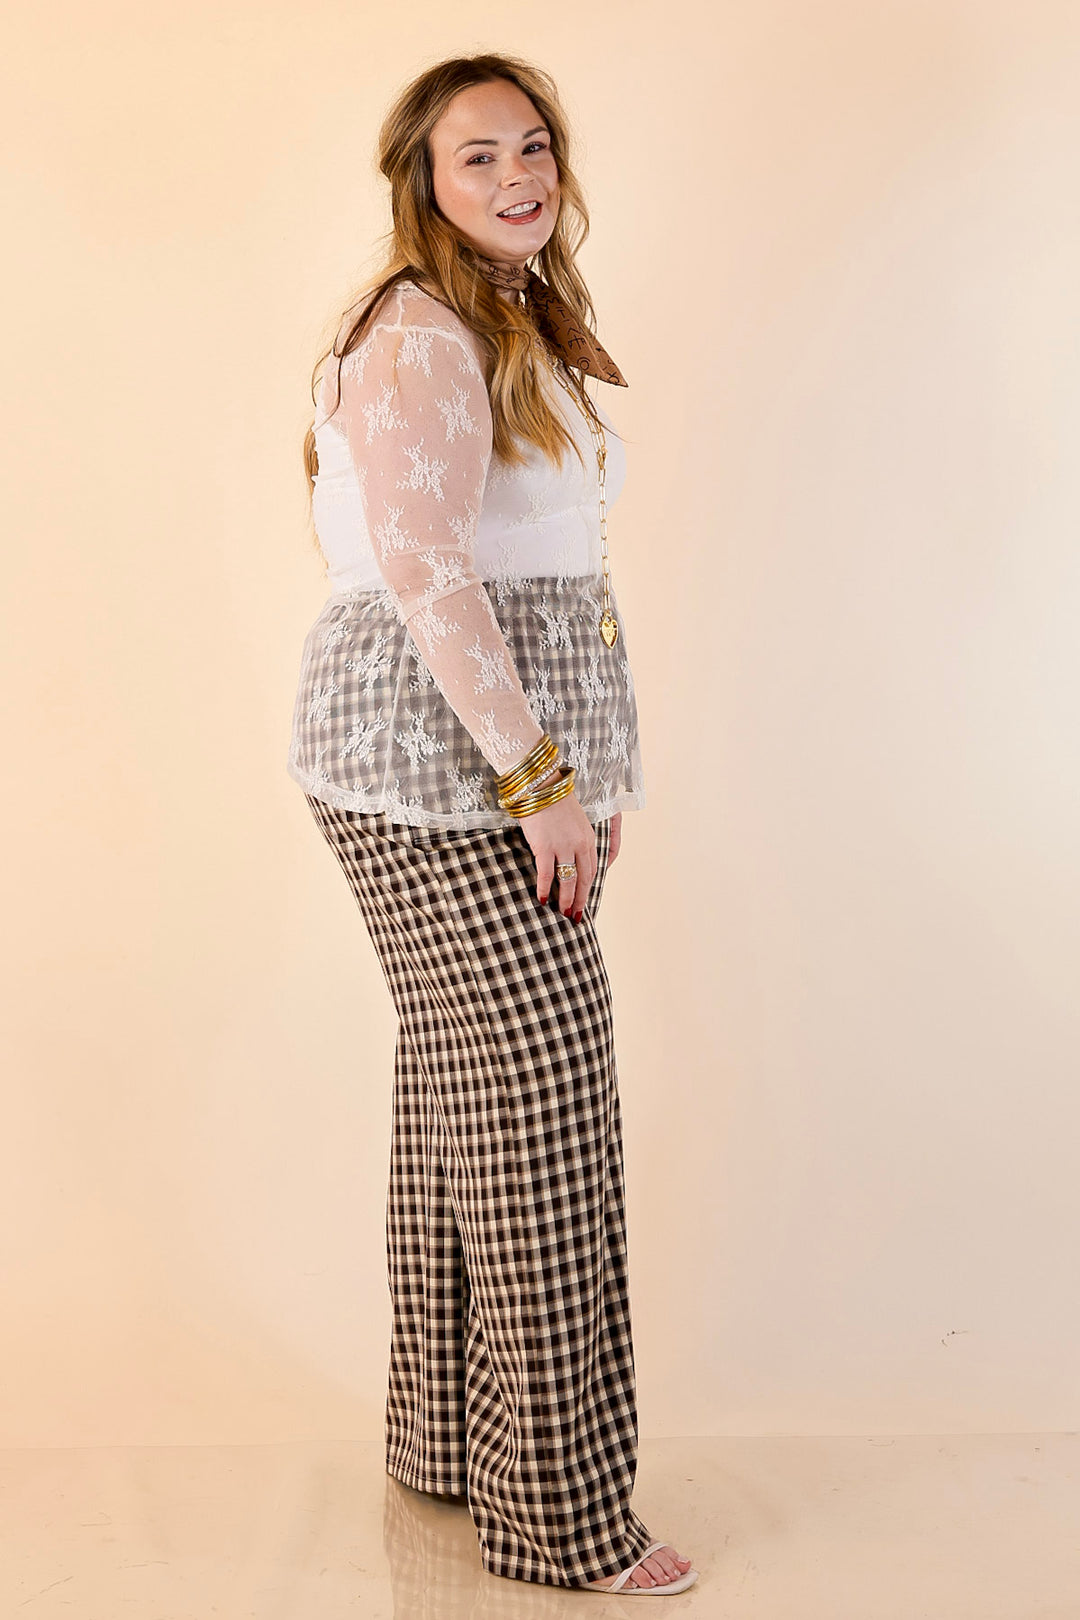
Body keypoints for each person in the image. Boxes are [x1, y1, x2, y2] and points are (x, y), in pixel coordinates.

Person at [287, 51, 698, 1596]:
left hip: (481, 767)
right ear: (421, 181)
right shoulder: (421, 336)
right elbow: (430, 578)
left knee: (470, 1091)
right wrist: (542, 789)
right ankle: (560, 1516)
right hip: (445, 776)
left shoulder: (502, 316)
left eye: (535, 147)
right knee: (540, 1107)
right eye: (480, 158)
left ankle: (447, 1450)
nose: (519, 176)